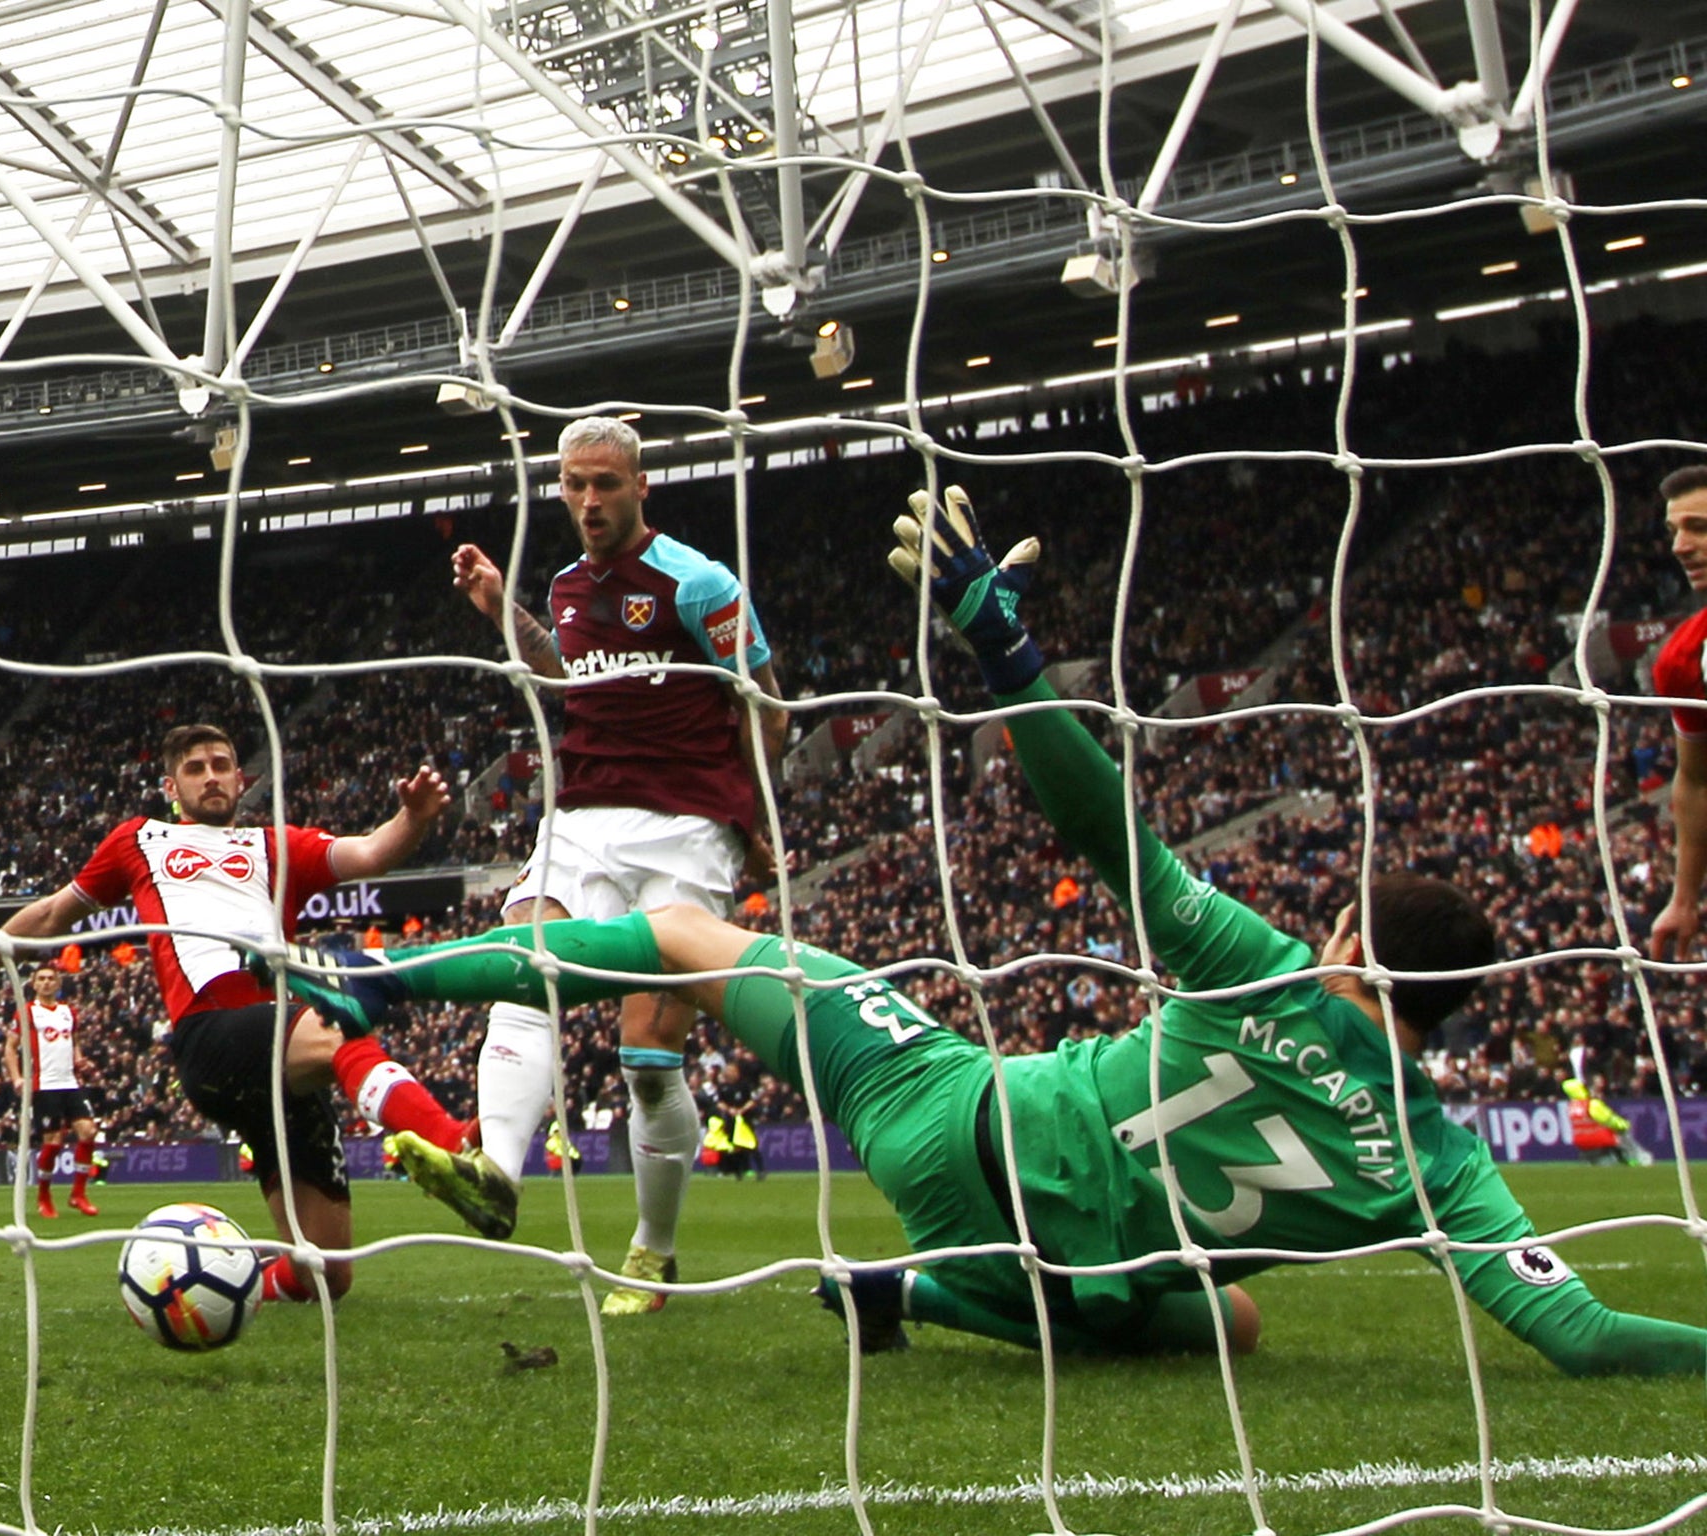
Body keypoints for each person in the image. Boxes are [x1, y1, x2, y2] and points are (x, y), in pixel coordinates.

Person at [271, 486, 1707, 1375]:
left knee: (689, 947)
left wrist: (1009, 655)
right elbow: (1582, 1336)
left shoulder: (1274, 974)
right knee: (1242, 1327)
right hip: (1071, 1276)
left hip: (949, 1122)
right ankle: (933, 1291)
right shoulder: (1444, 1170)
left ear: (1347, 948)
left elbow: (1107, 834)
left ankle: (387, 982)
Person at [0, 722, 475, 1309]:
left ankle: (228, 1283)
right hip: (215, 1036)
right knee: (337, 1028)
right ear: (171, 785)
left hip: (278, 1055)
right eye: (196, 768)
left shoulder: (275, 846)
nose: (211, 777)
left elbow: (371, 852)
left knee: (326, 1277)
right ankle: (454, 1146)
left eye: (221, 765)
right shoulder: (138, 840)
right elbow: (50, 915)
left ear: (239, 777)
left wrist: (415, 817)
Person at [427, 414, 786, 1314]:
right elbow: (566, 679)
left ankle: (652, 1255)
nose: (589, 500)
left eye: (605, 484)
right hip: (582, 810)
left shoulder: (698, 582)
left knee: (648, 1050)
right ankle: (497, 1174)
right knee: (527, 966)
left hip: (689, 824)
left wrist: (755, 814)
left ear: (639, 487)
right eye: (575, 485)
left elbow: (770, 709)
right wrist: (503, 608)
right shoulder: (564, 587)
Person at [1649, 465, 1707, 961]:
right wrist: (1684, 898)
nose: (1679, 547)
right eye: (1674, 531)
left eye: (1700, 528)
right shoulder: (1684, 660)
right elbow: (1696, 781)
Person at [6, 965, 101, 1219]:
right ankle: (44, 1196)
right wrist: (17, 1078)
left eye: (51, 979)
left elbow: (74, 1042)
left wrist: (79, 1059)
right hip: (44, 1085)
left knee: (88, 1131)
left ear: (58, 984)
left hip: (69, 1082)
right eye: (42, 979)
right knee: (54, 1142)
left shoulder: (67, 1012)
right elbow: (10, 1047)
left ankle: (78, 1194)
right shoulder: (27, 1013)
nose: (47, 983)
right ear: (34, 984)